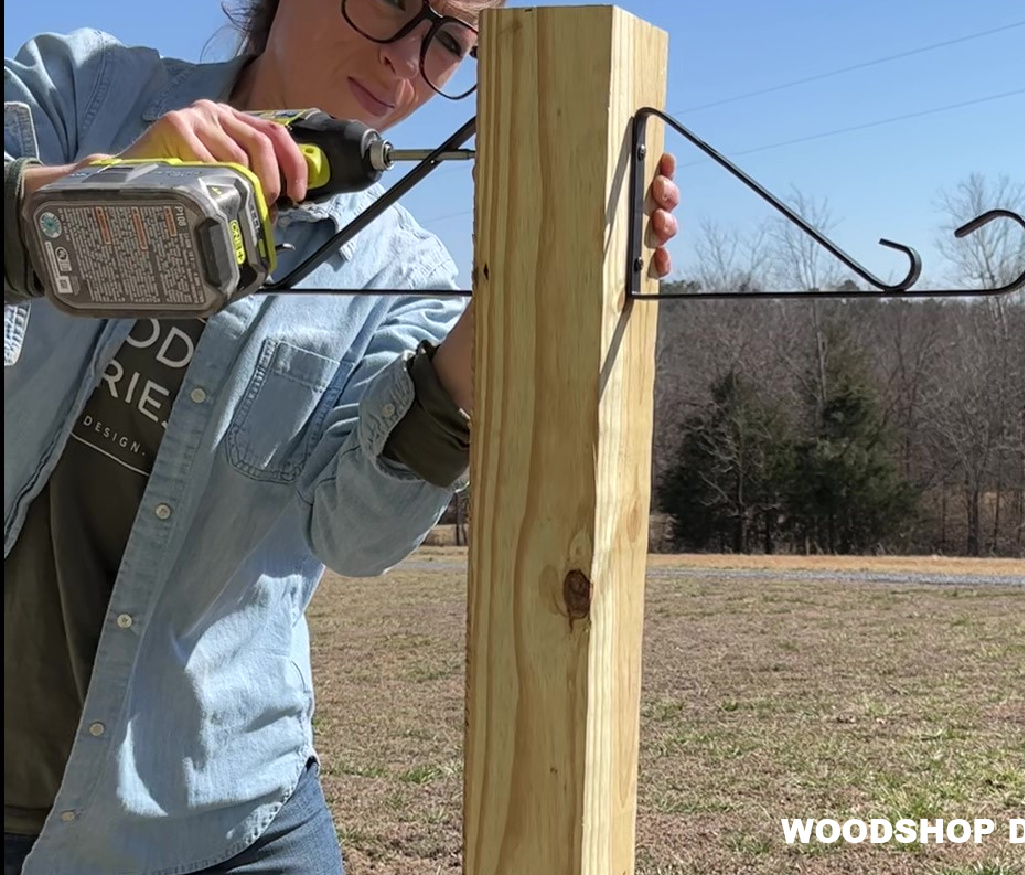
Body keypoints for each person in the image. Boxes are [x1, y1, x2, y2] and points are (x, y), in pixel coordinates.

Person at [2, 0, 681, 871]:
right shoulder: (81, 90)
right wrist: (105, 197)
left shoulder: (410, 281)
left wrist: (498, 323)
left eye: (449, 43)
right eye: (394, 2)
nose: (406, 60)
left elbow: (355, 533)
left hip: (222, 816)